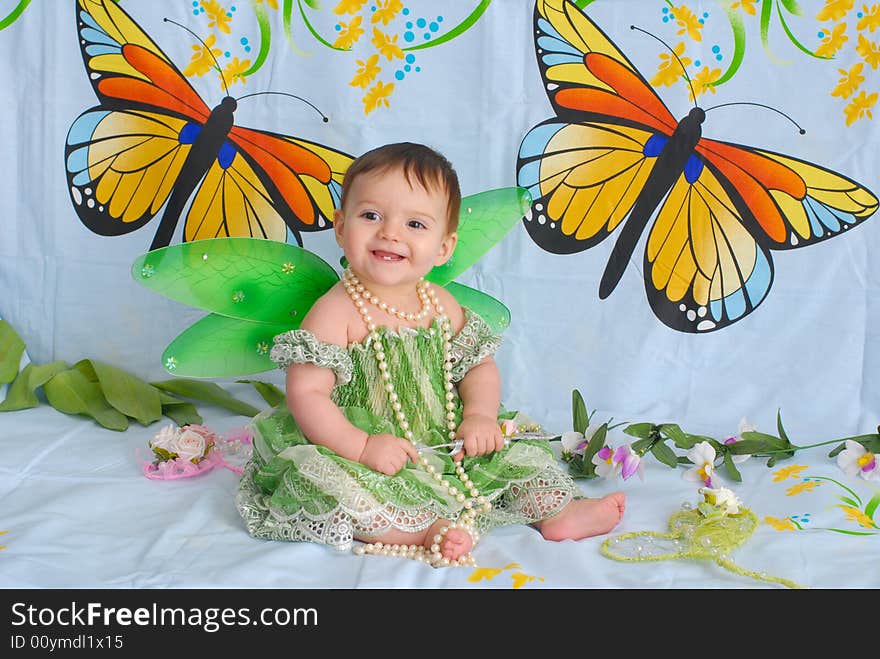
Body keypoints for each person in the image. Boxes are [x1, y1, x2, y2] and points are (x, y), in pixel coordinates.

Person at [236, 142, 625, 566]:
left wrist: (479, 415)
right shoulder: (335, 312)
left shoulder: (441, 305)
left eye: (416, 224)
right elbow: (307, 395)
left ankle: (558, 513)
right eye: (371, 216)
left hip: (447, 443)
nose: (391, 233)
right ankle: (420, 528)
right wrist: (362, 446)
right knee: (324, 480)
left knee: (519, 455)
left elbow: (478, 366)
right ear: (340, 226)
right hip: (364, 448)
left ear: (443, 247)